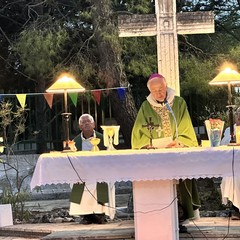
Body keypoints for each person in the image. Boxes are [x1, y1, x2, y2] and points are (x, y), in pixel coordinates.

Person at [131, 73, 201, 232]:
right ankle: (159, 217)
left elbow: (185, 127)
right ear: (150, 91)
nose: (159, 93)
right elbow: (138, 134)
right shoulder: (145, 106)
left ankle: (181, 219)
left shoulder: (179, 102)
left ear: (166, 86)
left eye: (161, 89)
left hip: (176, 154)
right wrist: (147, 145)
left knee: (179, 184)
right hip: (155, 157)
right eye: (155, 91)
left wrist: (180, 142)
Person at [69, 113, 116, 224]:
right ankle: (86, 216)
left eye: (88, 121)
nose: (86, 124)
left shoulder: (103, 138)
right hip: (83, 173)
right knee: (77, 183)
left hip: (100, 172)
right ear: (80, 126)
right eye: (83, 122)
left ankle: (100, 214)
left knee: (102, 182)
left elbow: (111, 153)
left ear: (94, 124)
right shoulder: (75, 141)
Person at [221, 123, 240, 220]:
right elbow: (223, 143)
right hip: (235, 164)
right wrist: (234, 136)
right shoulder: (230, 129)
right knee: (232, 178)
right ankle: (237, 210)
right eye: (238, 115)